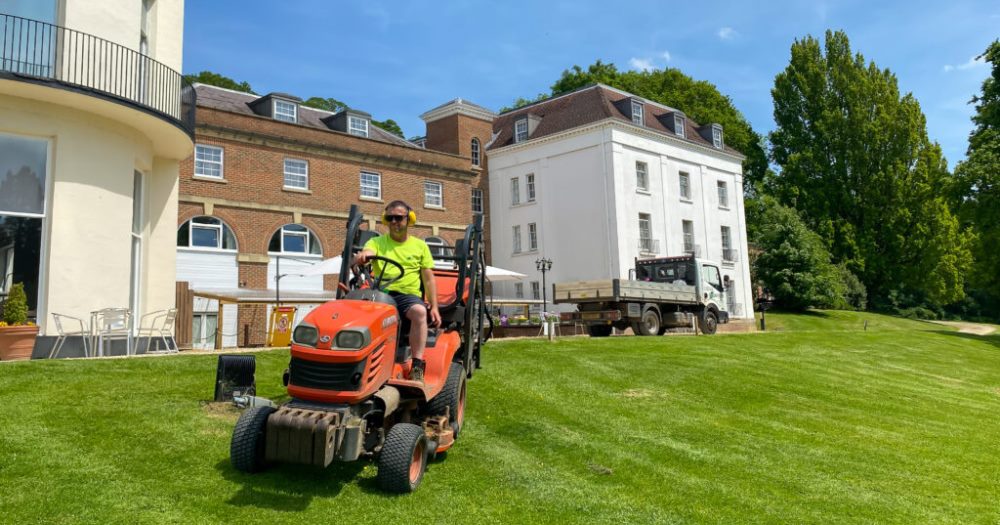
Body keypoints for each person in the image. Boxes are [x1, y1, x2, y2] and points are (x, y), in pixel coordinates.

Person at [354, 200, 441, 383]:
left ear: (409, 220)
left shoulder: (420, 246)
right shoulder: (376, 242)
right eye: (390, 218)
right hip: (381, 294)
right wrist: (364, 255)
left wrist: (434, 306)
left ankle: (417, 366)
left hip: (407, 297)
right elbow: (368, 251)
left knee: (420, 312)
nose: (394, 221)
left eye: (399, 218)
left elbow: (428, 279)